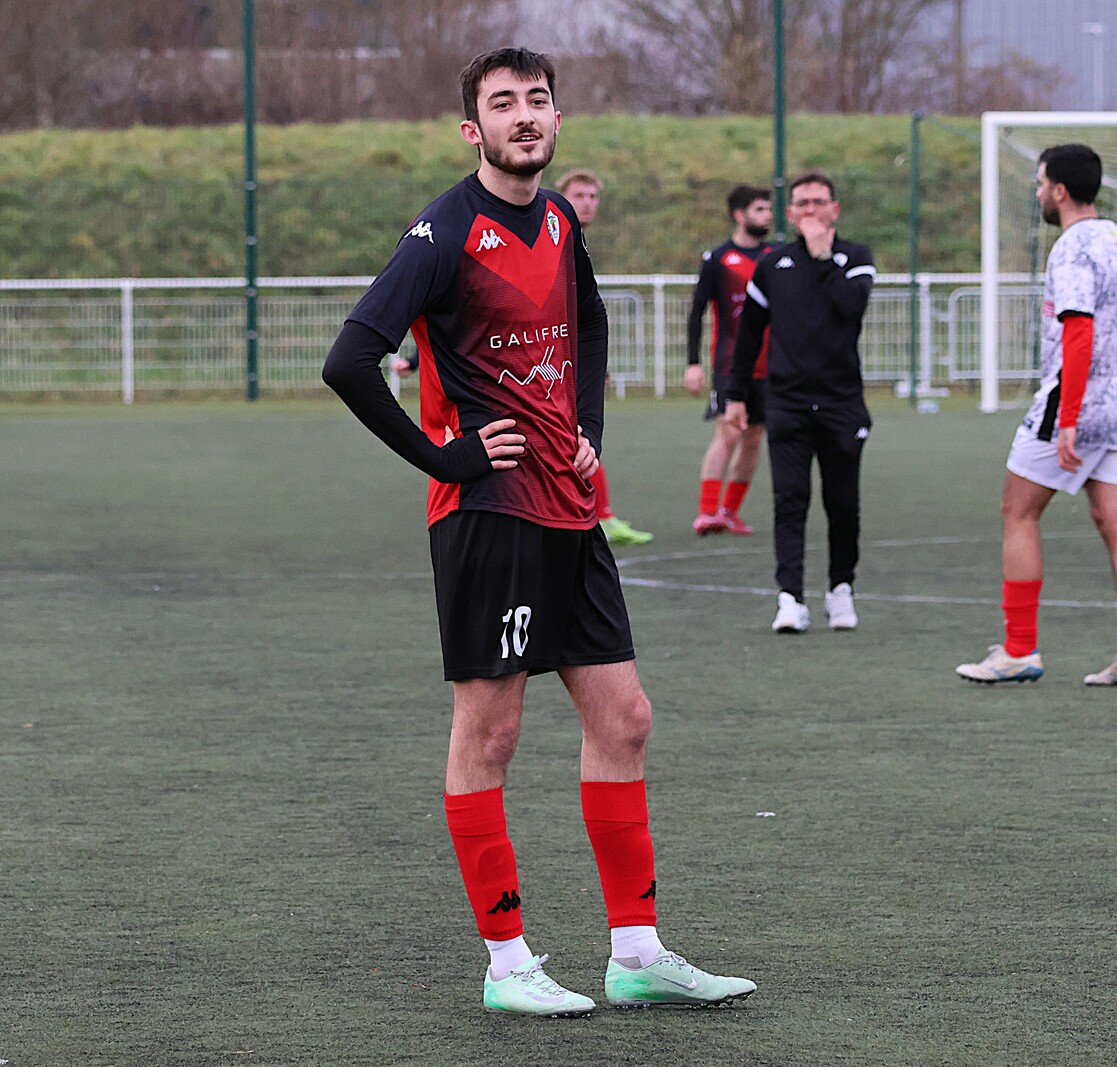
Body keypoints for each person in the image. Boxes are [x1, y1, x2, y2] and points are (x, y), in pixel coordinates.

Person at [323, 47, 754, 1017]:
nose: (524, 115)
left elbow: (588, 323)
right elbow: (349, 359)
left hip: (568, 505)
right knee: (492, 731)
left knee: (625, 718)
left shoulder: (559, 217)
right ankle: (507, 961)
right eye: (503, 103)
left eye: (538, 100)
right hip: (487, 515)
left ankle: (635, 952)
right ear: (471, 129)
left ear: (558, 120)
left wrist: (588, 429)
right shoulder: (442, 232)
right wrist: (443, 457)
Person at [957, 144, 1117, 686]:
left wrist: (1068, 418)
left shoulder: (1073, 247)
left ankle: (1019, 650)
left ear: (1060, 191)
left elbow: (1079, 330)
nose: (1038, 192)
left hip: (1081, 399)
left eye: (1041, 183)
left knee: (1018, 512)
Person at [725, 172, 874, 634]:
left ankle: (841, 589)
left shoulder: (855, 258)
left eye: (818, 202)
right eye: (802, 204)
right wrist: (735, 394)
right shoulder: (773, 265)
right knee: (790, 500)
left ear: (835, 209)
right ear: (789, 214)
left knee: (842, 503)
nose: (810, 210)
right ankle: (790, 598)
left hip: (842, 404)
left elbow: (851, 308)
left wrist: (823, 256)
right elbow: (749, 335)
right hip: (787, 403)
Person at [555, 168, 653, 547]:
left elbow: (580, 313)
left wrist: (593, 365)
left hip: (566, 359)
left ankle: (599, 515)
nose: (587, 203)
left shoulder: (574, 240)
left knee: (577, 436)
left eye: (593, 197)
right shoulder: (548, 236)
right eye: (579, 196)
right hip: (542, 361)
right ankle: (593, 516)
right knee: (570, 437)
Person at [686, 185, 774, 536]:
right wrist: (693, 363)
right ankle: (707, 512)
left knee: (754, 437)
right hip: (729, 365)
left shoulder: (775, 257)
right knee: (728, 432)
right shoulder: (719, 259)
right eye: (759, 209)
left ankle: (730, 512)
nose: (767, 215)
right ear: (739, 215)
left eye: (768, 209)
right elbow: (696, 312)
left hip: (769, 365)